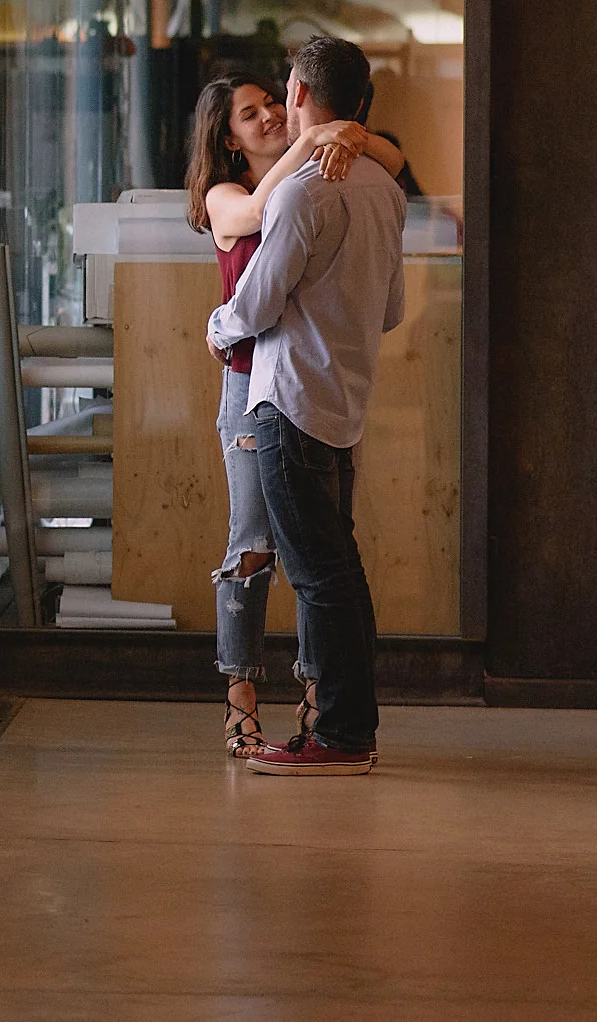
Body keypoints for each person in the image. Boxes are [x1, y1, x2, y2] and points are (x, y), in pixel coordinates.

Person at [183, 71, 403, 759]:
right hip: (249, 386)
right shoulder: (229, 194)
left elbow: (396, 162)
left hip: (305, 384)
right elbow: (249, 219)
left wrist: (350, 136)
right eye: (251, 114)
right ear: (227, 136)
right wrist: (316, 136)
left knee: (319, 553)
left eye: (274, 102)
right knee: (253, 548)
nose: (271, 114)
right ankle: (240, 697)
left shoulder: (324, 163)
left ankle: (317, 698)